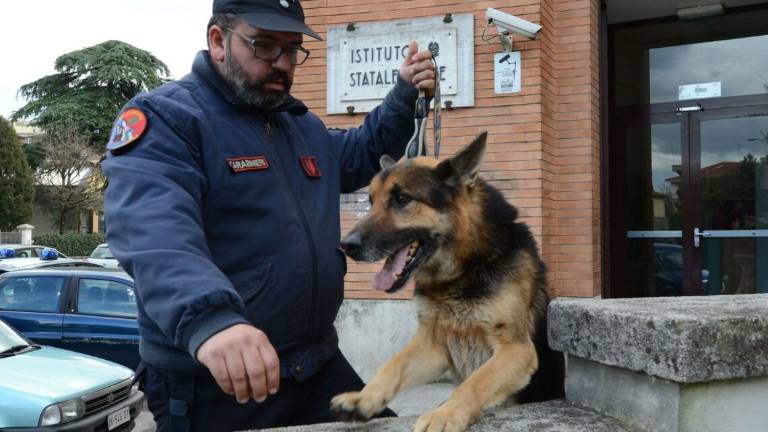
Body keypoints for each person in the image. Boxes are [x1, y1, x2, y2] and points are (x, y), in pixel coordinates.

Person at [101, 0, 435, 430]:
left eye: (292, 49)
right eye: (264, 46)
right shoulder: (168, 119)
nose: (282, 63)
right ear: (218, 40)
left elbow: (361, 153)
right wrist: (211, 320)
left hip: (314, 365)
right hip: (219, 384)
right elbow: (154, 230)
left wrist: (404, 92)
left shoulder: (300, 126)